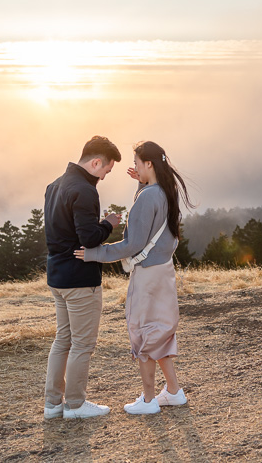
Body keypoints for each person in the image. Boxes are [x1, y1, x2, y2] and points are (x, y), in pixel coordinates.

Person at [75, 140, 194, 415]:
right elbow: (152, 225)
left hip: (148, 277)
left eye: (137, 162)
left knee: (143, 332)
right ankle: (174, 392)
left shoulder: (149, 196)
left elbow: (133, 244)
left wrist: (95, 253)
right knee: (160, 331)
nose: (135, 167)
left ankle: (149, 399)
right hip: (163, 272)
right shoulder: (165, 191)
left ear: (148, 164)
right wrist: (141, 185)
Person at [43, 135, 123, 420]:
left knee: (62, 340)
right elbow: (89, 239)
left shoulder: (54, 186)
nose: (104, 177)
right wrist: (109, 224)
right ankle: (75, 405)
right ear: (97, 162)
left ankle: (52, 404)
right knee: (82, 344)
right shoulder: (85, 191)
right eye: (106, 171)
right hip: (79, 280)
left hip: (57, 276)